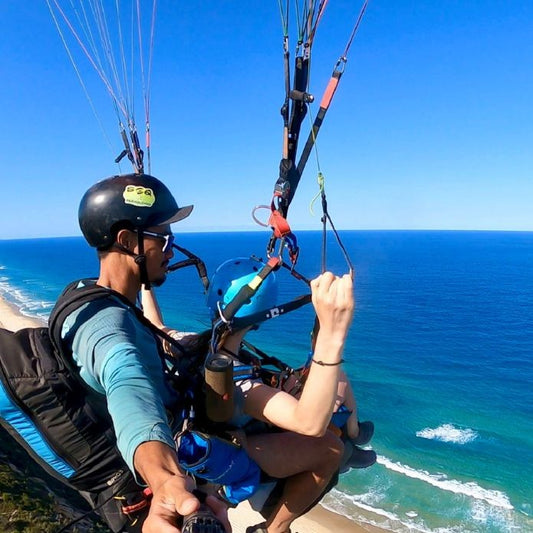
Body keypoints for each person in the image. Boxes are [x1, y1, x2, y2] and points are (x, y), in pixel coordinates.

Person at [142, 257, 374, 533]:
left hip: (204, 435)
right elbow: (309, 423)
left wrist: (145, 282)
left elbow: (154, 323)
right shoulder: (237, 379)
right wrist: (331, 336)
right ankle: (275, 529)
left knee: (334, 385)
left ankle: (355, 433)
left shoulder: (189, 343)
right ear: (261, 317)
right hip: (230, 449)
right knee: (331, 449)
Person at [62, 173, 230, 532]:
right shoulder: (105, 326)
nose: (171, 250)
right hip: (144, 483)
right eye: (165, 238)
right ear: (126, 240)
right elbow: (126, 381)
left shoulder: (90, 292)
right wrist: (166, 478)